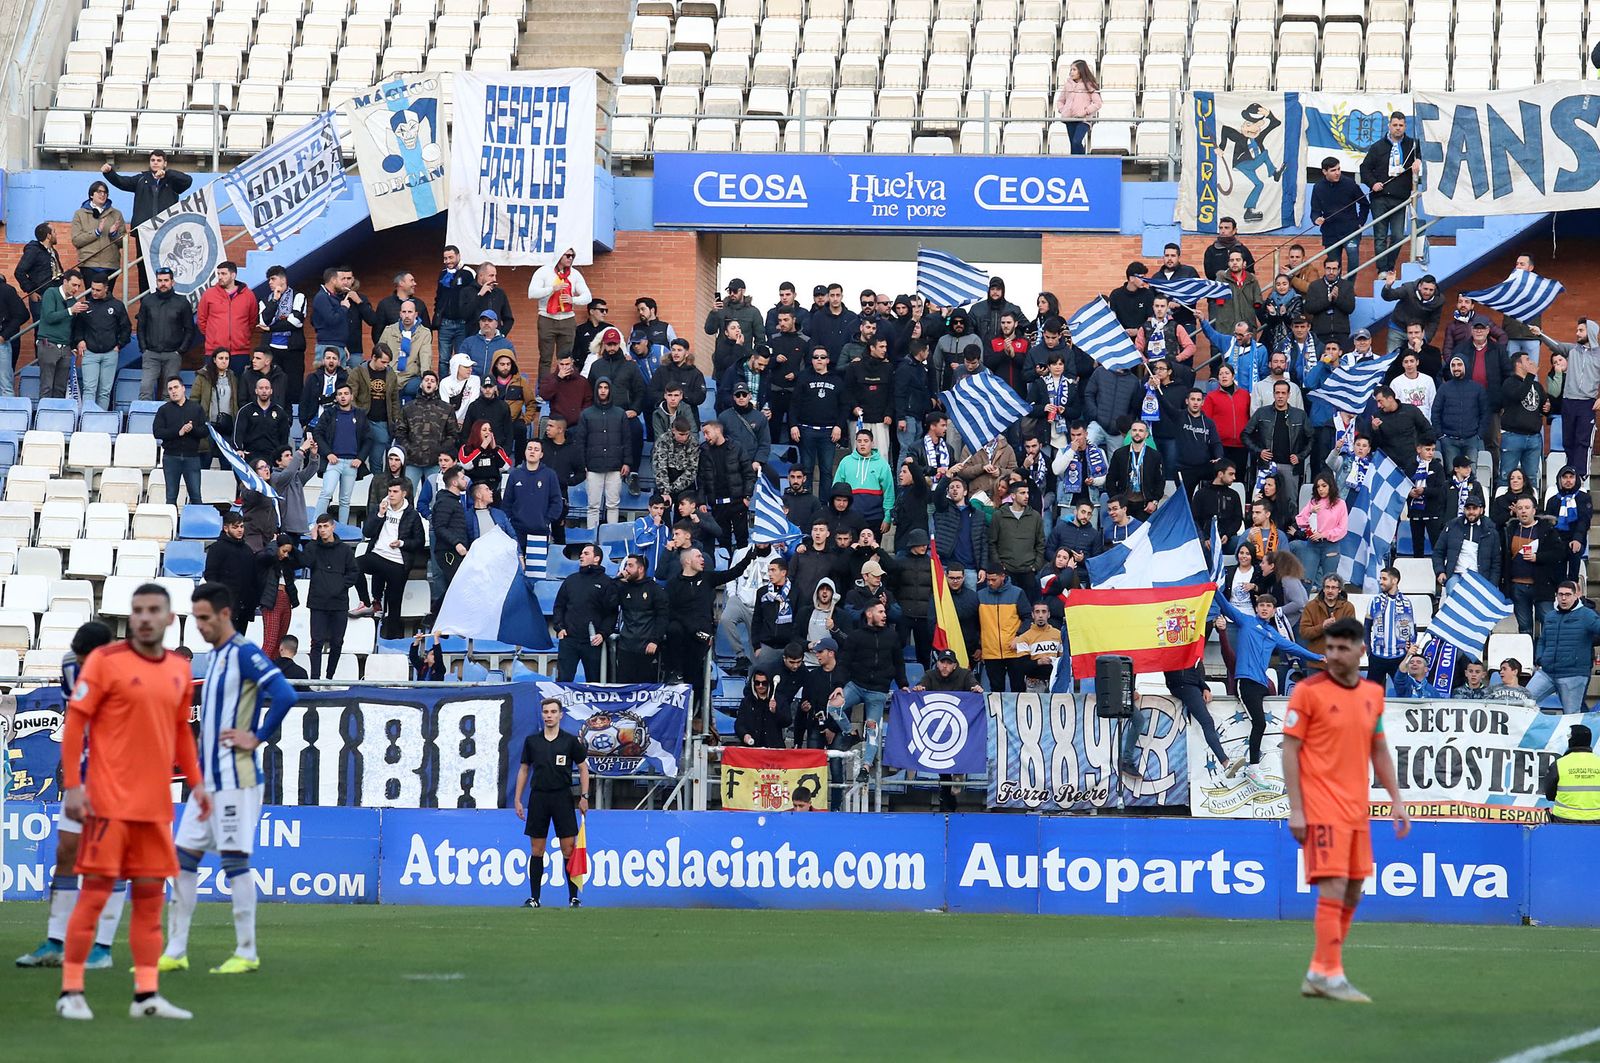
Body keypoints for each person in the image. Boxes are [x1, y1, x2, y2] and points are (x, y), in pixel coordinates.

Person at [53, 583, 208, 1021]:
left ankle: (146, 996)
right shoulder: (105, 661)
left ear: (168, 619)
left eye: (152, 610)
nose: (143, 617)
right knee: (95, 895)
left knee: (149, 900)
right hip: (108, 805)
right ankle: (71, 991)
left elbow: (180, 731)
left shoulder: (179, 671)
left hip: (155, 809)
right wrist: (75, 789)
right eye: (137, 610)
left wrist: (197, 784)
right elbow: (75, 723)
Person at [159, 582, 298, 976]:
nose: (199, 625)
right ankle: (176, 949)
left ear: (224, 615)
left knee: (235, 861)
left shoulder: (244, 653)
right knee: (182, 860)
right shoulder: (216, 656)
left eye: (204, 618)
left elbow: (286, 695)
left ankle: (247, 951)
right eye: (195, 618)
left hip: (237, 779)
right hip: (207, 782)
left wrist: (256, 736)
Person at [1283, 615, 1410, 1004]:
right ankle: (1332, 974)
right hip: (1321, 806)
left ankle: (1319, 972)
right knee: (1334, 886)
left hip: (1357, 809)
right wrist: (1297, 809)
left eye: (1341, 648)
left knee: (1353, 892)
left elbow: (1378, 750)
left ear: (1361, 651)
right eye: (1329, 648)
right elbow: (1290, 751)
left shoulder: (1372, 694)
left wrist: (1396, 799)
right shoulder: (1307, 692)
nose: (1333, 656)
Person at [15, 622, 123, 971]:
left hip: (120, 776)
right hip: (87, 772)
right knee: (66, 852)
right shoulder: (69, 665)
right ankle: (55, 942)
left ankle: (102, 948)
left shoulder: (129, 674)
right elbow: (75, 721)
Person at [1216, 594, 1324, 784]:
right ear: (1256, 608)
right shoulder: (1246, 621)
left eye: (1269, 606)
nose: (1265, 609)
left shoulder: (1273, 634)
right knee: (1260, 723)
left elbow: (1294, 647)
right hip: (1246, 682)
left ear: (1274, 610)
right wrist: (1214, 588)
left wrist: (1317, 657)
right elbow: (1226, 606)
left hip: (1262, 685)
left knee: (1268, 722)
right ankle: (1253, 768)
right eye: (1262, 605)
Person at [513, 698, 590, 908]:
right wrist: (518, 799)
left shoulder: (570, 741)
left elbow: (584, 768)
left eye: (553, 712)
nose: (549, 715)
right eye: (546, 712)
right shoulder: (532, 742)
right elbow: (524, 770)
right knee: (537, 849)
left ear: (560, 715)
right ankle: (535, 898)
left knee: (568, 848)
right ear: (542, 714)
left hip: (562, 797)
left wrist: (584, 796)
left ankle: (573, 898)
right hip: (538, 797)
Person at [356, 482, 424, 640]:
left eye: (395, 491)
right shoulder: (381, 509)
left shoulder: (412, 515)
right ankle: (367, 603)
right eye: (389, 491)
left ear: (404, 494)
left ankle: (392, 641)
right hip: (378, 554)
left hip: (398, 562)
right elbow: (367, 532)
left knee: (394, 605)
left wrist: (402, 543)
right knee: (354, 565)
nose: (391, 494)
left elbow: (419, 542)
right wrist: (380, 514)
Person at [1359, 112, 1422, 279]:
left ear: (1405, 126)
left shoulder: (1413, 145)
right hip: (1380, 198)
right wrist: (1373, 183)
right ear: (1389, 126)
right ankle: (1382, 270)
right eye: (1395, 125)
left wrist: (1419, 163)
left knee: (1398, 236)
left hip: (1400, 199)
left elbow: (1423, 160)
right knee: (1380, 235)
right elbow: (1364, 169)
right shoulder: (1378, 147)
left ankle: (1389, 266)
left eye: (1401, 125)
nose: (1398, 128)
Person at [1526, 582, 1600, 715]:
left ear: (1576, 595)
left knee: (1571, 716)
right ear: (1556, 596)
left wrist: (1587, 645)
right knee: (1523, 702)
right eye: (1560, 594)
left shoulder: (1587, 615)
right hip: (1547, 672)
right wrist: (1540, 658)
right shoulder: (1550, 616)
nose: (1563, 598)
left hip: (1573, 674)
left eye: (1567, 594)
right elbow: (1543, 640)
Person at [304, 514, 360, 679]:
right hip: (318, 602)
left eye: (325, 526)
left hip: (339, 602)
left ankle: (329, 677)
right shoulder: (314, 547)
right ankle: (314, 679)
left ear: (333, 527)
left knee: (337, 642)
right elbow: (305, 561)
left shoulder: (344, 550)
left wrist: (340, 585)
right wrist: (313, 541)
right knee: (316, 642)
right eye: (319, 527)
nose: (322, 530)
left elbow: (354, 572)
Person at [554, 544, 619, 682]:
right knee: (563, 681)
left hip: (593, 641)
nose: (581, 556)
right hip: (569, 639)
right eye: (581, 553)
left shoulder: (607, 583)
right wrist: (559, 628)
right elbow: (559, 606)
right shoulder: (571, 580)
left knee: (594, 682)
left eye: (586, 553)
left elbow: (612, 613)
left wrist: (603, 633)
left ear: (596, 558)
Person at [1504, 496, 1565, 635]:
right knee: (1524, 628)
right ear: (1516, 511)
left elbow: (1559, 553)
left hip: (1542, 585)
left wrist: (1538, 557)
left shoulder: (1547, 530)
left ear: (1534, 510)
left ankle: (1545, 656)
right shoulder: (1509, 529)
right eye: (1520, 508)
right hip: (1517, 587)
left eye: (1527, 508)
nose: (1523, 511)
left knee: (1548, 625)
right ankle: (1528, 655)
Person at [70, 274, 129, 411]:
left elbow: (126, 327)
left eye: (98, 290)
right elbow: (78, 328)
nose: (94, 293)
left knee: (104, 391)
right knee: (89, 389)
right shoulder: (86, 305)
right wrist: (80, 341)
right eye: (92, 289)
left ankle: (101, 421)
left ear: (106, 289)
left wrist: (119, 345)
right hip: (90, 353)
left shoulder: (117, 305)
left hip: (110, 353)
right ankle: (87, 419)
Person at [528, 247, 590, 374]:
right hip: (547, 318)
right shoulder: (544, 271)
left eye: (572, 256)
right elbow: (532, 293)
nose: (570, 258)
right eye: (567, 255)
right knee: (546, 358)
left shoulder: (575, 274)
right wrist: (552, 289)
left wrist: (573, 300)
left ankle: (563, 388)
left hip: (567, 318)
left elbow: (588, 296)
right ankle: (544, 390)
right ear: (559, 255)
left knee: (565, 358)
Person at [613, 554, 669, 683]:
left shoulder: (655, 590)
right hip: (626, 646)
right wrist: (617, 582)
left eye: (630, 565)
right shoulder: (623, 587)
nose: (626, 568)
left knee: (645, 688)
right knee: (624, 686)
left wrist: (655, 640)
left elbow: (663, 617)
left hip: (647, 647)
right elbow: (608, 602)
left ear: (641, 569)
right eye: (626, 565)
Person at [1309, 156, 1368, 275]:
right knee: (1333, 265)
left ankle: (1349, 289)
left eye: (1339, 169)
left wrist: (1360, 222)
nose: (1337, 173)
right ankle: (1336, 290)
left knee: (1353, 259)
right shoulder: (1318, 187)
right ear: (1324, 172)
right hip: (1330, 233)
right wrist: (1316, 219)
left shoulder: (1349, 183)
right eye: (1333, 170)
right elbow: (1314, 211)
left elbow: (1364, 204)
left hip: (1351, 230)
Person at [1363, 566, 1414, 692]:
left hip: (1398, 656)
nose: (1381, 581)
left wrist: (1407, 654)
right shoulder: (1374, 601)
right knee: (1370, 695)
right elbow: (1366, 627)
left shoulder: (1407, 602)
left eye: (1384, 578)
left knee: (1403, 692)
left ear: (1394, 580)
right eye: (1380, 578)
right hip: (1377, 656)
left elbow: (1412, 631)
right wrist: (1369, 651)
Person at [1541, 724, 1600, 823]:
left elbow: (1549, 795)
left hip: (1564, 820)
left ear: (1572, 740)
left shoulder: (1559, 764)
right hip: (1596, 821)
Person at [1053, 58, 1101, 154]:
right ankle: (1077, 165)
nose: (1071, 72)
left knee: (1076, 141)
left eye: (1074, 69)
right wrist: (1063, 110)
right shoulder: (1067, 85)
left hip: (1083, 120)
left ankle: (1084, 162)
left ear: (1081, 71)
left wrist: (1085, 112)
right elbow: (1060, 101)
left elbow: (1098, 103)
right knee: (1073, 145)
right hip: (1069, 119)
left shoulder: (1090, 85)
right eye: (1071, 69)